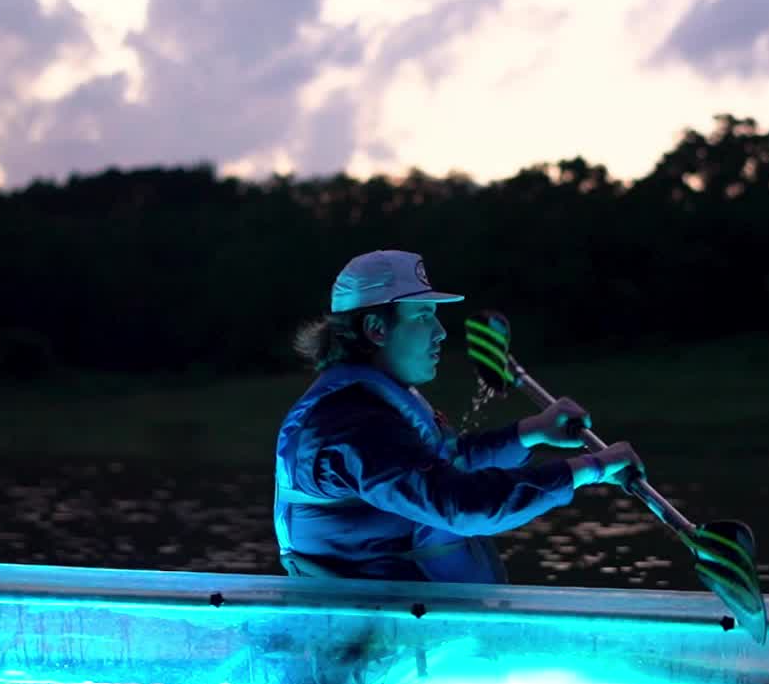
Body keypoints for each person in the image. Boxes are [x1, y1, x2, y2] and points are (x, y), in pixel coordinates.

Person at [275, 249, 643, 583]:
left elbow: (448, 462)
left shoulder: (374, 405)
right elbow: (464, 504)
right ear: (376, 329)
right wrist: (591, 468)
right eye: (423, 316)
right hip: (369, 641)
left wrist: (533, 431)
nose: (440, 332)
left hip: (409, 632)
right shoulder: (349, 426)